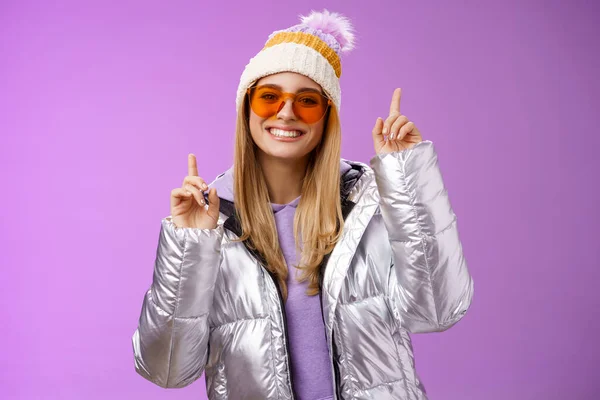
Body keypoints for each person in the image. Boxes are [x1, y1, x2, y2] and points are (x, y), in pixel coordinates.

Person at [132, 9, 474, 400]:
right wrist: (190, 246)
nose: (287, 112)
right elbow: (167, 370)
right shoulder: (210, 223)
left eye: (307, 100)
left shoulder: (371, 202)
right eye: (269, 97)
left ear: (327, 116)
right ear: (246, 109)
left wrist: (407, 176)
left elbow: (436, 311)